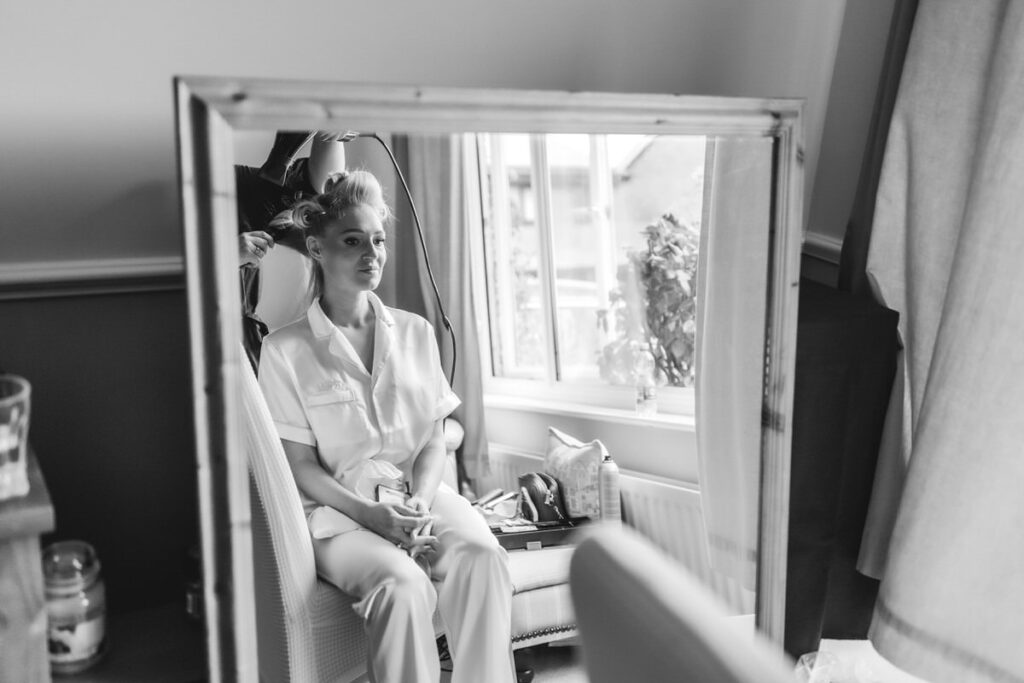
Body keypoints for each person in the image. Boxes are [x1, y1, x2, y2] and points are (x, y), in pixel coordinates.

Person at [257, 170, 515, 683]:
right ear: (316, 248)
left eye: (378, 240)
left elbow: (434, 439)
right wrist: (372, 516)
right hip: (339, 513)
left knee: (483, 555)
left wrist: (420, 500)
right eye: (352, 242)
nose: (371, 254)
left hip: (416, 496)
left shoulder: (415, 332)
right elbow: (300, 467)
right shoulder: (284, 350)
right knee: (403, 585)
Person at [235, 131, 350, 371]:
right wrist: (227, 258)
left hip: (249, 349)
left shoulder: (231, 185)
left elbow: (321, 191)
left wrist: (331, 132)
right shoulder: (205, 186)